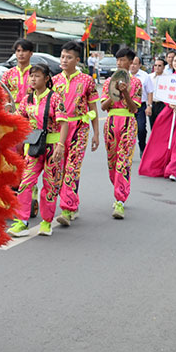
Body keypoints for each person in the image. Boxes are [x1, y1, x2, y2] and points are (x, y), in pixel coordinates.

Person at [10, 61, 64, 236]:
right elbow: (20, 120)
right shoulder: (27, 100)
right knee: (26, 183)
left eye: (37, 76)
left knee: (50, 184)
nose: (33, 79)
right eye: (31, 76)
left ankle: (46, 222)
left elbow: (64, 124)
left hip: (52, 146)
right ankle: (21, 221)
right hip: (33, 146)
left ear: (46, 78)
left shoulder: (55, 98)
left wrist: (60, 146)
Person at [50, 42, 100, 226]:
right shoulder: (54, 81)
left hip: (80, 127)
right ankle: (73, 202)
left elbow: (93, 107)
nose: (64, 60)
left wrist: (96, 134)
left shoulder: (87, 80)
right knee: (59, 168)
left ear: (77, 60)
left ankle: (66, 209)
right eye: (62, 56)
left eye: (68, 57)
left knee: (73, 167)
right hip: (58, 130)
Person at [139, 52, 176, 182]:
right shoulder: (168, 78)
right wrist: (170, 104)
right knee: (163, 139)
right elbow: (162, 95)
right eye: (175, 61)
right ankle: (160, 166)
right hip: (169, 112)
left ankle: (173, 170)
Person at [102, 47, 142, 219]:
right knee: (112, 162)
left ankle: (120, 200)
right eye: (117, 60)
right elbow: (104, 107)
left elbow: (134, 108)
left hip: (128, 122)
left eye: (123, 59)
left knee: (123, 161)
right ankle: (118, 188)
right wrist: (115, 92)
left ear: (131, 61)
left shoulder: (136, 83)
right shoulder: (108, 82)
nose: (119, 63)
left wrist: (125, 92)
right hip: (111, 123)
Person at [131, 54, 155, 153]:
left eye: (135, 64)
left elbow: (150, 91)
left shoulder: (145, 76)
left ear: (140, 65)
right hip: (127, 107)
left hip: (140, 106)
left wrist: (149, 106)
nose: (133, 66)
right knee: (129, 130)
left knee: (141, 128)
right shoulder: (124, 74)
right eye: (131, 63)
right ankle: (128, 150)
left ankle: (142, 147)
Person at [2, 39, 36, 110]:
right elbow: (3, 95)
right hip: (13, 111)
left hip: (31, 112)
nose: (21, 54)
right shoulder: (8, 74)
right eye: (18, 51)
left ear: (31, 53)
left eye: (24, 51)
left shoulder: (36, 74)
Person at [147, 56, 169, 129]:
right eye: (155, 65)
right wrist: (149, 106)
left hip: (163, 105)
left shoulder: (168, 78)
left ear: (163, 67)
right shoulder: (149, 77)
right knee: (153, 127)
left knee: (162, 127)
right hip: (152, 104)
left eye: (159, 66)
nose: (157, 67)